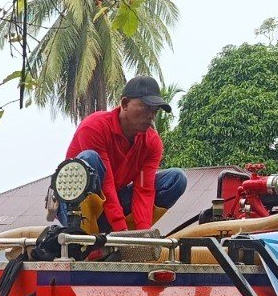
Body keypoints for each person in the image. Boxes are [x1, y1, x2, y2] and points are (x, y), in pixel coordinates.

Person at [60, 76, 188, 234]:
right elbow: (106, 184)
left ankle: (129, 239)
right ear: (125, 103)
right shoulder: (95, 127)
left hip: (113, 204)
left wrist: (142, 235)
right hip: (74, 204)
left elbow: (144, 189)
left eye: (154, 110)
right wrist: (120, 228)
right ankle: (83, 237)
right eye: (146, 107)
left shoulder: (152, 143)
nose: (151, 115)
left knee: (176, 179)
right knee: (89, 159)